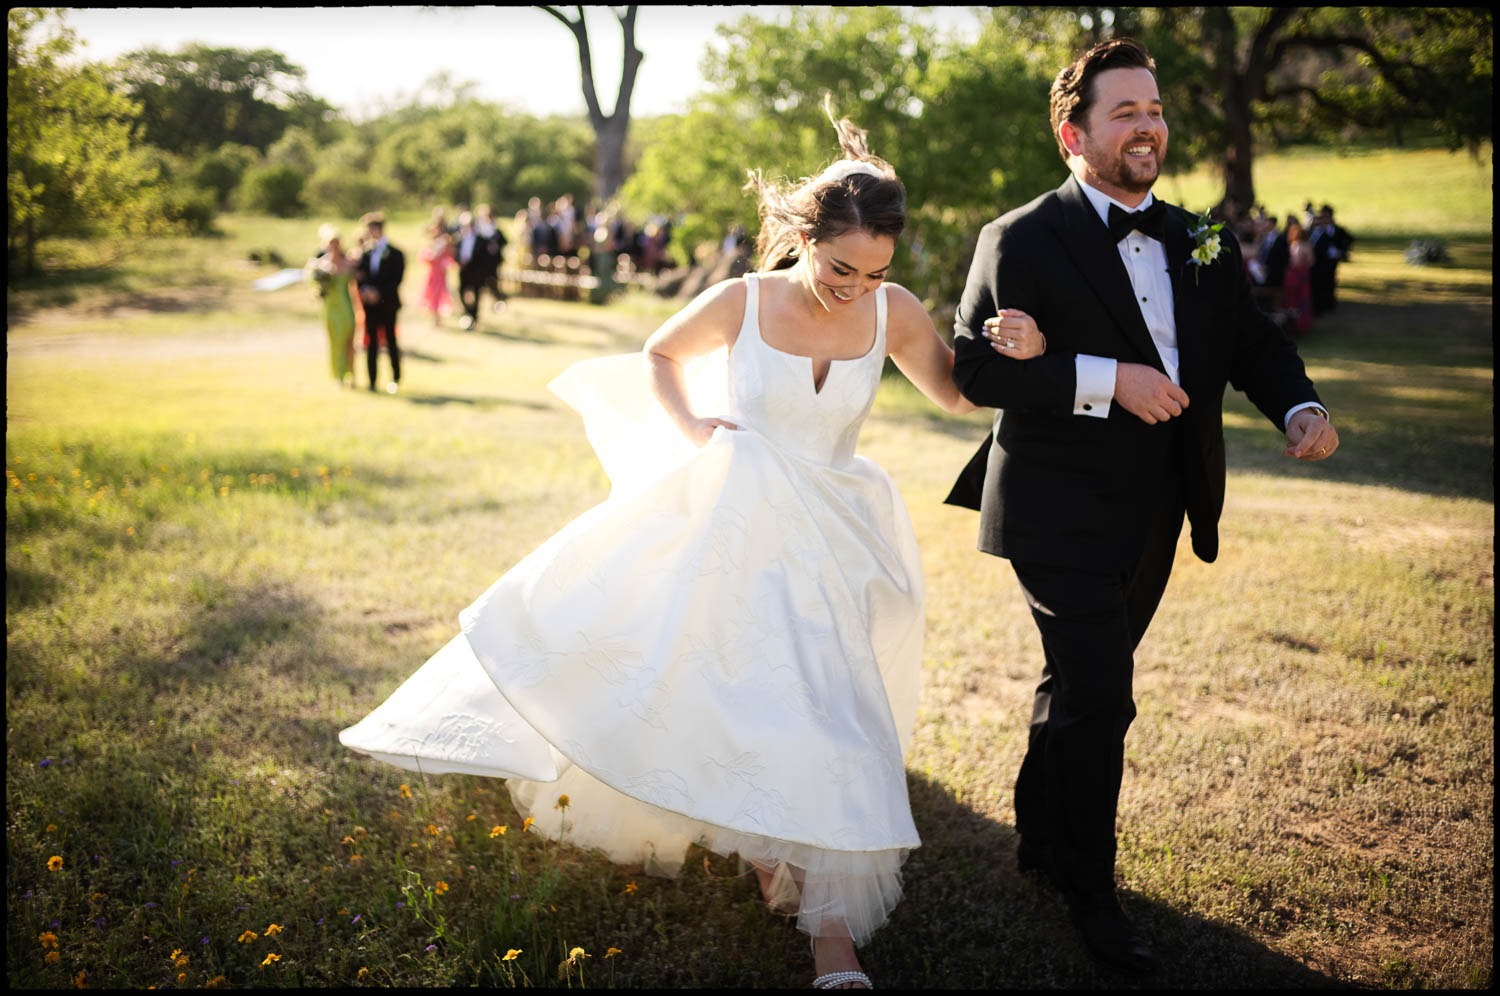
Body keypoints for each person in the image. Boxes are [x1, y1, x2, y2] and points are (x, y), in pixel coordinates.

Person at [338, 100, 1037, 990]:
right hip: (740, 517)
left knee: (834, 706)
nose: (852, 288)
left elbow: (955, 395)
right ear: (802, 235)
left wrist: (1014, 351)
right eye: (838, 267)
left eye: (874, 271)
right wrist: (698, 429)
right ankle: (808, 905)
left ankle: (805, 892)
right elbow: (659, 356)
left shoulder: (891, 312)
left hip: (835, 528)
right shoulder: (742, 300)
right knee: (745, 690)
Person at [945, 37, 1339, 975]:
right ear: (1072, 134)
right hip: (1054, 508)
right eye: (1125, 112)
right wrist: (1101, 379)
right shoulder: (1021, 237)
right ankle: (1093, 892)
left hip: (1161, 507)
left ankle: (1042, 838)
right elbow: (971, 368)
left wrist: (1300, 403)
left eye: (1154, 110)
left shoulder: (1194, 235)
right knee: (1103, 697)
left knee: (1080, 685)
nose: (1148, 126)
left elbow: (1250, 339)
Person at [354, 212, 406, 395]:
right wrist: (365, 290)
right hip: (370, 305)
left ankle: (396, 377)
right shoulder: (365, 254)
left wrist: (379, 292)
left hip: (388, 304)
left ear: (378, 229)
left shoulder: (396, 253)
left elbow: (396, 280)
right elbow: (360, 276)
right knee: (372, 342)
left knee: (391, 340)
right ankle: (372, 380)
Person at [306, 224, 358, 387]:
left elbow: (357, 283)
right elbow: (314, 286)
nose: (334, 246)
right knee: (335, 342)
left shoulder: (348, 263)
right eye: (331, 243)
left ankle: (352, 373)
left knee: (349, 341)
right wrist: (319, 289)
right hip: (330, 308)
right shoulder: (320, 266)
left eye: (337, 243)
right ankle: (338, 375)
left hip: (346, 307)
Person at [1309, 205, 1353, 315]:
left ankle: (1327, 304)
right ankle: (1319, 305)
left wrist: (1341, 251)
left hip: (1329, 262)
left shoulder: (1336, 230)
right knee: (1318, 284)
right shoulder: (1316, 231)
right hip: (1317, 262)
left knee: (1329, 282)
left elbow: (1347, 240)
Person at [453, 212, 489, 329]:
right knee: (461, 291)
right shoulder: (459, 238)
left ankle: (474, 316)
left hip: (476, 272)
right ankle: (468, 312)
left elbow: (484, 257)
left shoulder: (481, 240)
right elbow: (455, 253)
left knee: (476, 293)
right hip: (463, 270)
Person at [1281, 216, 1315, 336]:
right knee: (1303, 299)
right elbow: (1311, 262)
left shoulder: (1295, 246)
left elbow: (1295, 262)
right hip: (1303, 275)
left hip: (1295, 276)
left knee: (1293, 299)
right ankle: (1302, 324)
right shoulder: (1307, 246)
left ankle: (1295, 326)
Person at [419, 221, 455, 327]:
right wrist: (433, 255)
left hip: (441, 274)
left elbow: (450, 256)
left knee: (441, 295)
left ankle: (438, 318)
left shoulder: (445, 242)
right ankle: (435, 318)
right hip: (432, 274)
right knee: (432, 295)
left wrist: (446, 262)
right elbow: (424, 258)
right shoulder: (430, 244)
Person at [474, 204, 509, 312]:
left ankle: (497, 302)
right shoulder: (479, 230)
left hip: (493, 262)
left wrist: (496, 246)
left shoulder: (496, 230)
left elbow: (504, 241)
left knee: (493, 283)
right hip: (481, 262)